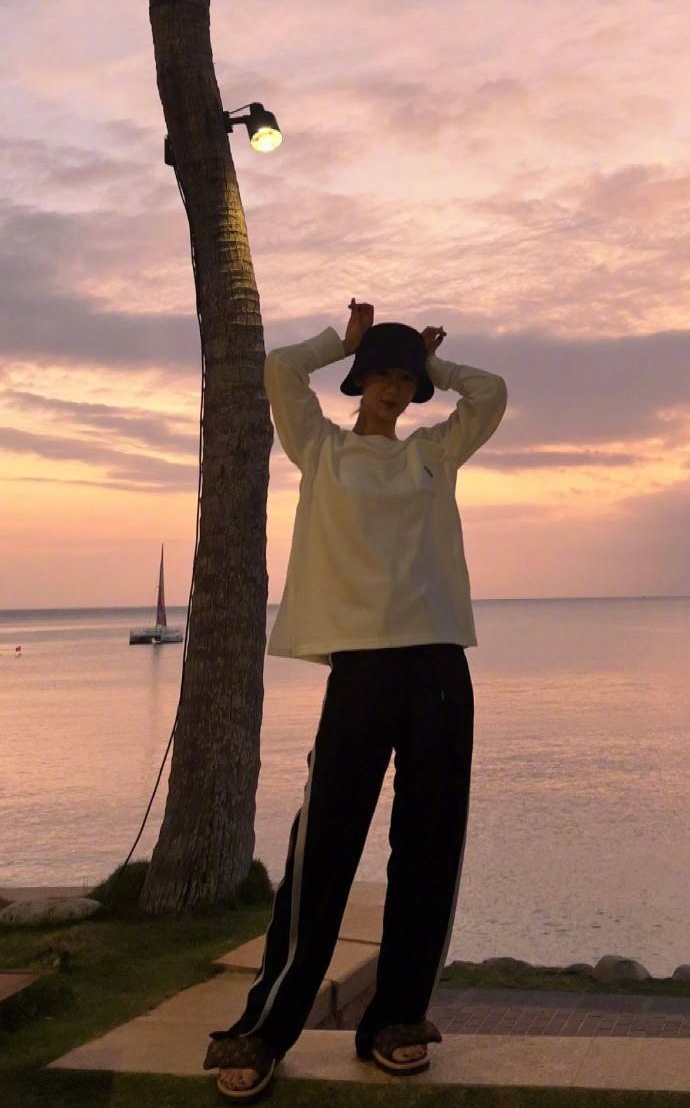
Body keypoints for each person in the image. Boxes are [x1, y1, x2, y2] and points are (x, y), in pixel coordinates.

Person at [202, 299, 507, 1101]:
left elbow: (494, 393)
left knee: (430, 844)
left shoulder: (434, 455)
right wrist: (339, 341)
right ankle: (265, 1028)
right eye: (383, 374)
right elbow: (278, 372)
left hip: (439, 662)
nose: (396, 390)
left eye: (407, 380)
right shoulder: (324, 452)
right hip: (362, 672)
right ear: (360, 382)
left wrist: (435, 364)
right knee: (325, 844)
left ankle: (397, 1021)